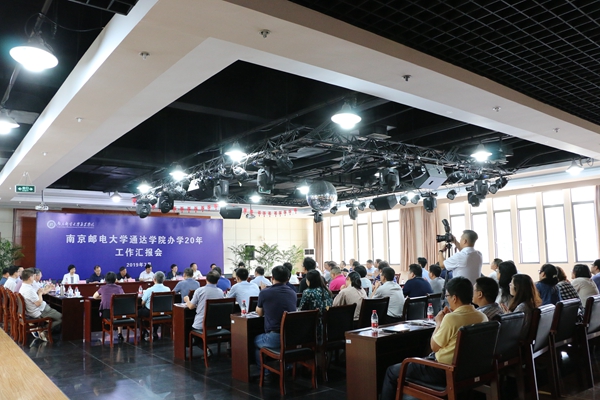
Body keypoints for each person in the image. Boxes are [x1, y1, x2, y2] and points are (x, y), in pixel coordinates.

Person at [381, 277, 487, 399]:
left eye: (447, 296)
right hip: (470, 370)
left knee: (391, 371)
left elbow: (434, 347)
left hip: (443, 371)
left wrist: (439, 322)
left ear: (454, 298)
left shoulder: (451, 318)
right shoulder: (482, 316)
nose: (447, 299)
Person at [254, 265, 297, 371]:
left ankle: (266, 373)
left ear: (272, 277)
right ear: (287, 279)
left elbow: (259, 313)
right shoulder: (292, 293)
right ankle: (286, 366)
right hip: (291, 337)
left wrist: (263, 292)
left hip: (275, 337)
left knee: (254, 341)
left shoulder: (265, 292)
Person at [185, 270, 224, 348]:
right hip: (216, 324)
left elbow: (191, 306)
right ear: (217, 281)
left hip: (201, 325)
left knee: (187, 327)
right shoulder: (220, 292)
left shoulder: (200, 291)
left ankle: (205, 349)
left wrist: (187, 300)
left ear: (206, 279)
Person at [19, 269, 61, 339]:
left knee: (55, 310)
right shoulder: (29, 290)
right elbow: (38, 303)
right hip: (40, 311)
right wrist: (40, 294)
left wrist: (45, 289)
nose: (34, 278)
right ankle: (44, 329)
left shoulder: (24, 286)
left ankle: (45, 328)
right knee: (61, 317)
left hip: (35, 309)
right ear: (29, 277)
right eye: (33, 276)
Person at [93, 271, 125, 341]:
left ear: (105, 280)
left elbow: (94, 296)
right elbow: (123, 296)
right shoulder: (119, 288)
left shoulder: (103, 288)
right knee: (119, 314)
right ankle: (120, 333)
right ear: (115, 279)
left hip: (106, 313)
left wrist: (103, 296)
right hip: (117, 312)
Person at [138, 271, 170, 341]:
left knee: (137, 313)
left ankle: (144, 331)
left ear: (154, 279)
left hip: (151, 312)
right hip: (164, 312)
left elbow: (142, 303)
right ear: (163, 280)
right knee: (156, 310)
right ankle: (155, 331)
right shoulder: (168, 289)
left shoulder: (149, 290)